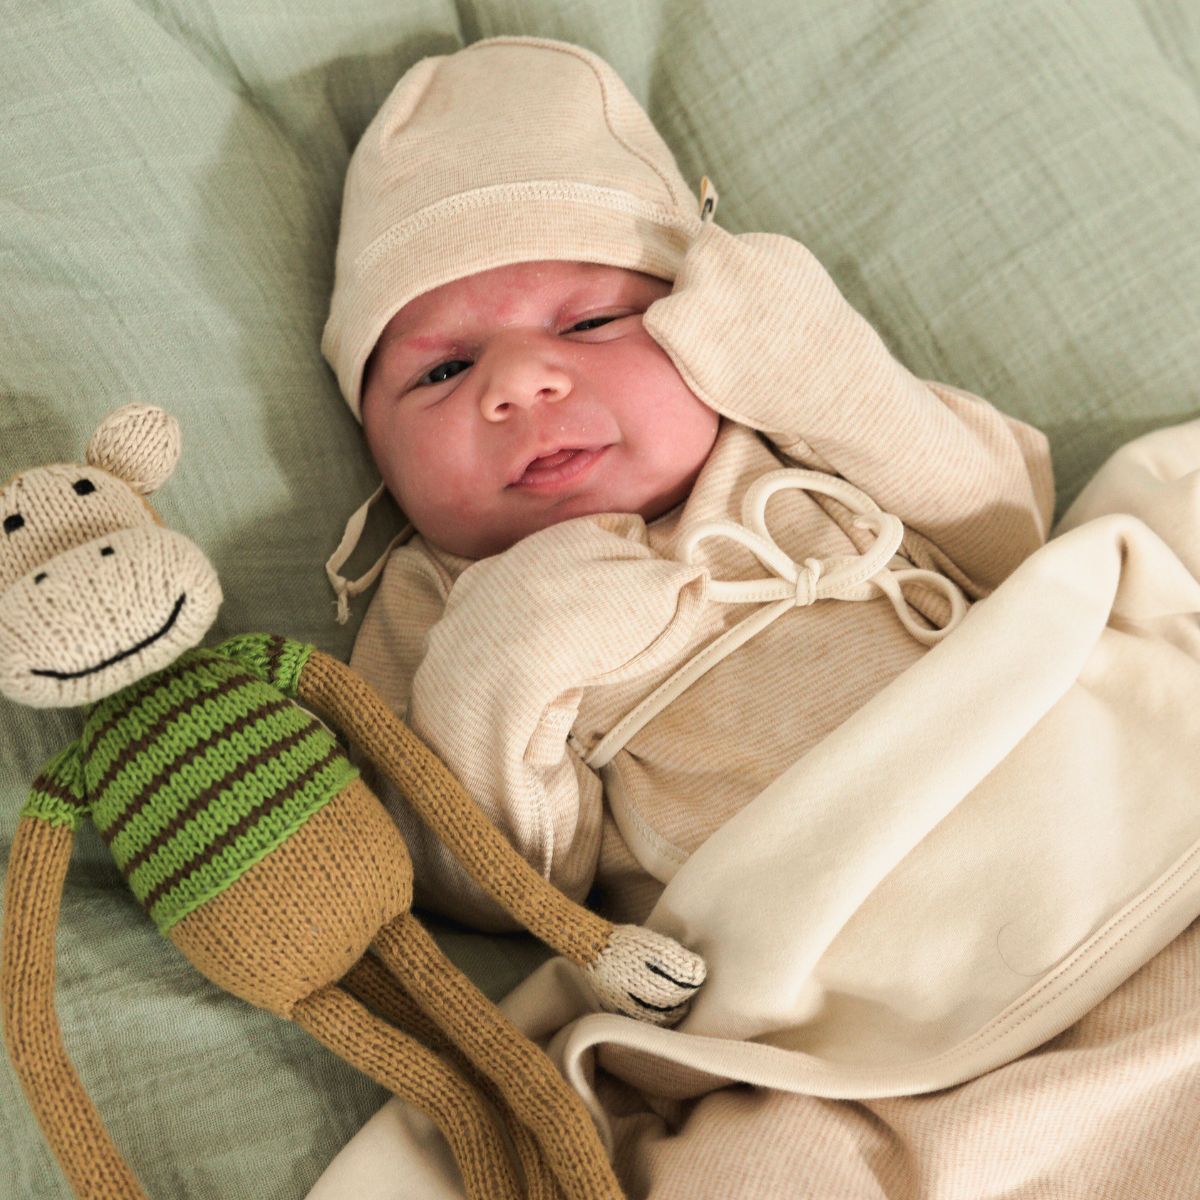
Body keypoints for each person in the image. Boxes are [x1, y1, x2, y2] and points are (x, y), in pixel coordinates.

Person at [320, 34, 1054, 931]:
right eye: (440, 373)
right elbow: (498, 893)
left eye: (591, 322)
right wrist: (505, 662)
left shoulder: (790, 431)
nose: (518, 383)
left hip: (1057, 782)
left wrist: (834, 380)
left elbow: (1012, 539)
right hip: (834, 936)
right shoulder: (442, 602)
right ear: (378, 453)